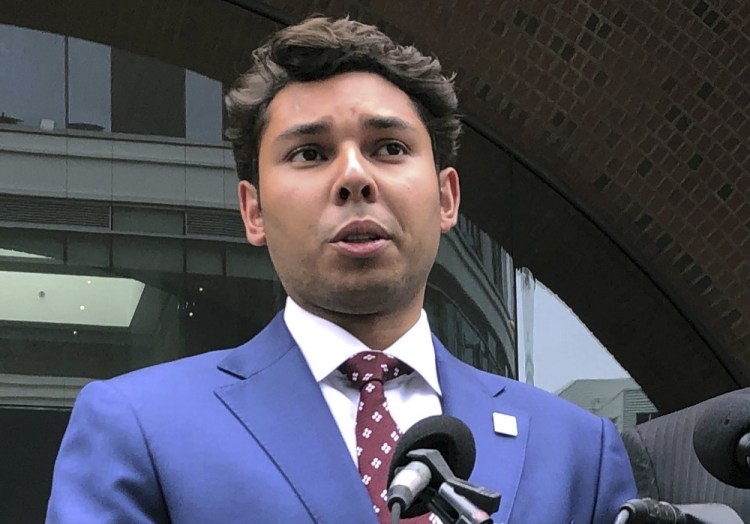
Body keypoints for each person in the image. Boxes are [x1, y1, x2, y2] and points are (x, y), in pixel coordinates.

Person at [46, 16, 636, 524]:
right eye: (309, 153)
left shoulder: (577, 449)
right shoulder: (141, 428)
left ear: (446, 198)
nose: (355, 177)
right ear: (253, 211)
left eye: (389, 148)